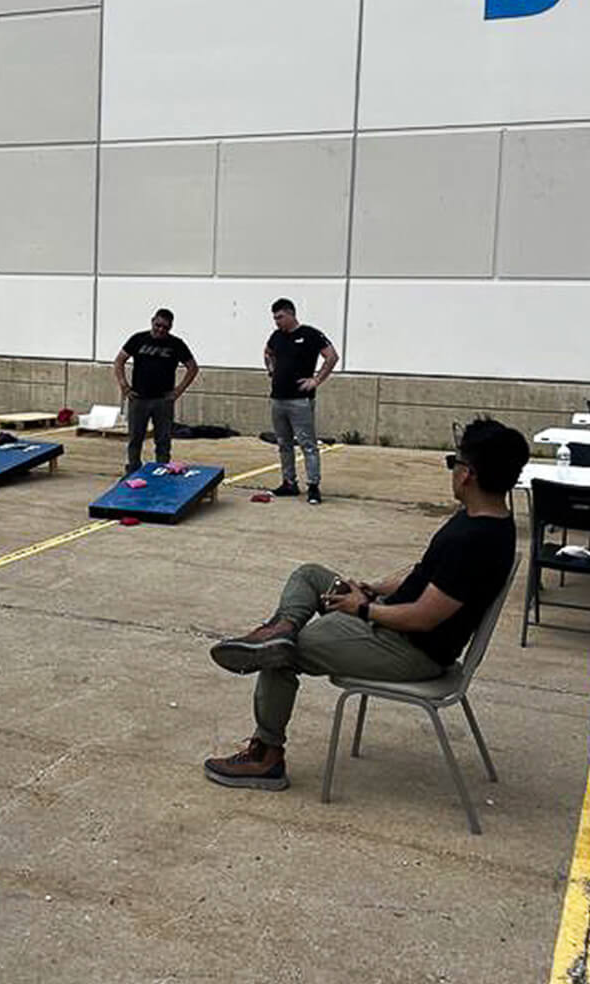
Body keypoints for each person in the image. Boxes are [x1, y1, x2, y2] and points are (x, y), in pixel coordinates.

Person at [203, 417, 530, 791]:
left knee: (280, 654)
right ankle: (280, 628)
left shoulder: (475, 542)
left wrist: (362, 608)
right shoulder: (485, 520)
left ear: (467, 474)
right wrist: (371, 588)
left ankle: (266, 756)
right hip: (392, 623)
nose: (451, 471)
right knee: (310, 575)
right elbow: (420, 573)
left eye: (453, 463)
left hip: (408, 648)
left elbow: (424, 618)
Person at [264, 298, 338, 505]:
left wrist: (316, 380)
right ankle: (289, 483)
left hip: (300, 400)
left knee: (307, 444)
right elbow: (267, 352)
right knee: (283, 444)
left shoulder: (310, 334)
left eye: (280, 317)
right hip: (278, 398)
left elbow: (331, 357)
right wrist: (270, 368)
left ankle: (313, 486)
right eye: (274, 318)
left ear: (291, 314)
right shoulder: (276, 336)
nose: (277, 322)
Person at [114, 309, 199, 475]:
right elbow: (119, 361)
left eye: (165, 328)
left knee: (163, 440)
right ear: (152, 321)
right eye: (158, 325)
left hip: (163, 400)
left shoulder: (176, 344)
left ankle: (161, 471)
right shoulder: (138, 339)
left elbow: (193, 367)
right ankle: (133, 469)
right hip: (139, 398)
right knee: (135, 439)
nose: (161, 330)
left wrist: (177, 391)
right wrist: (124, 386)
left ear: (171, 327)